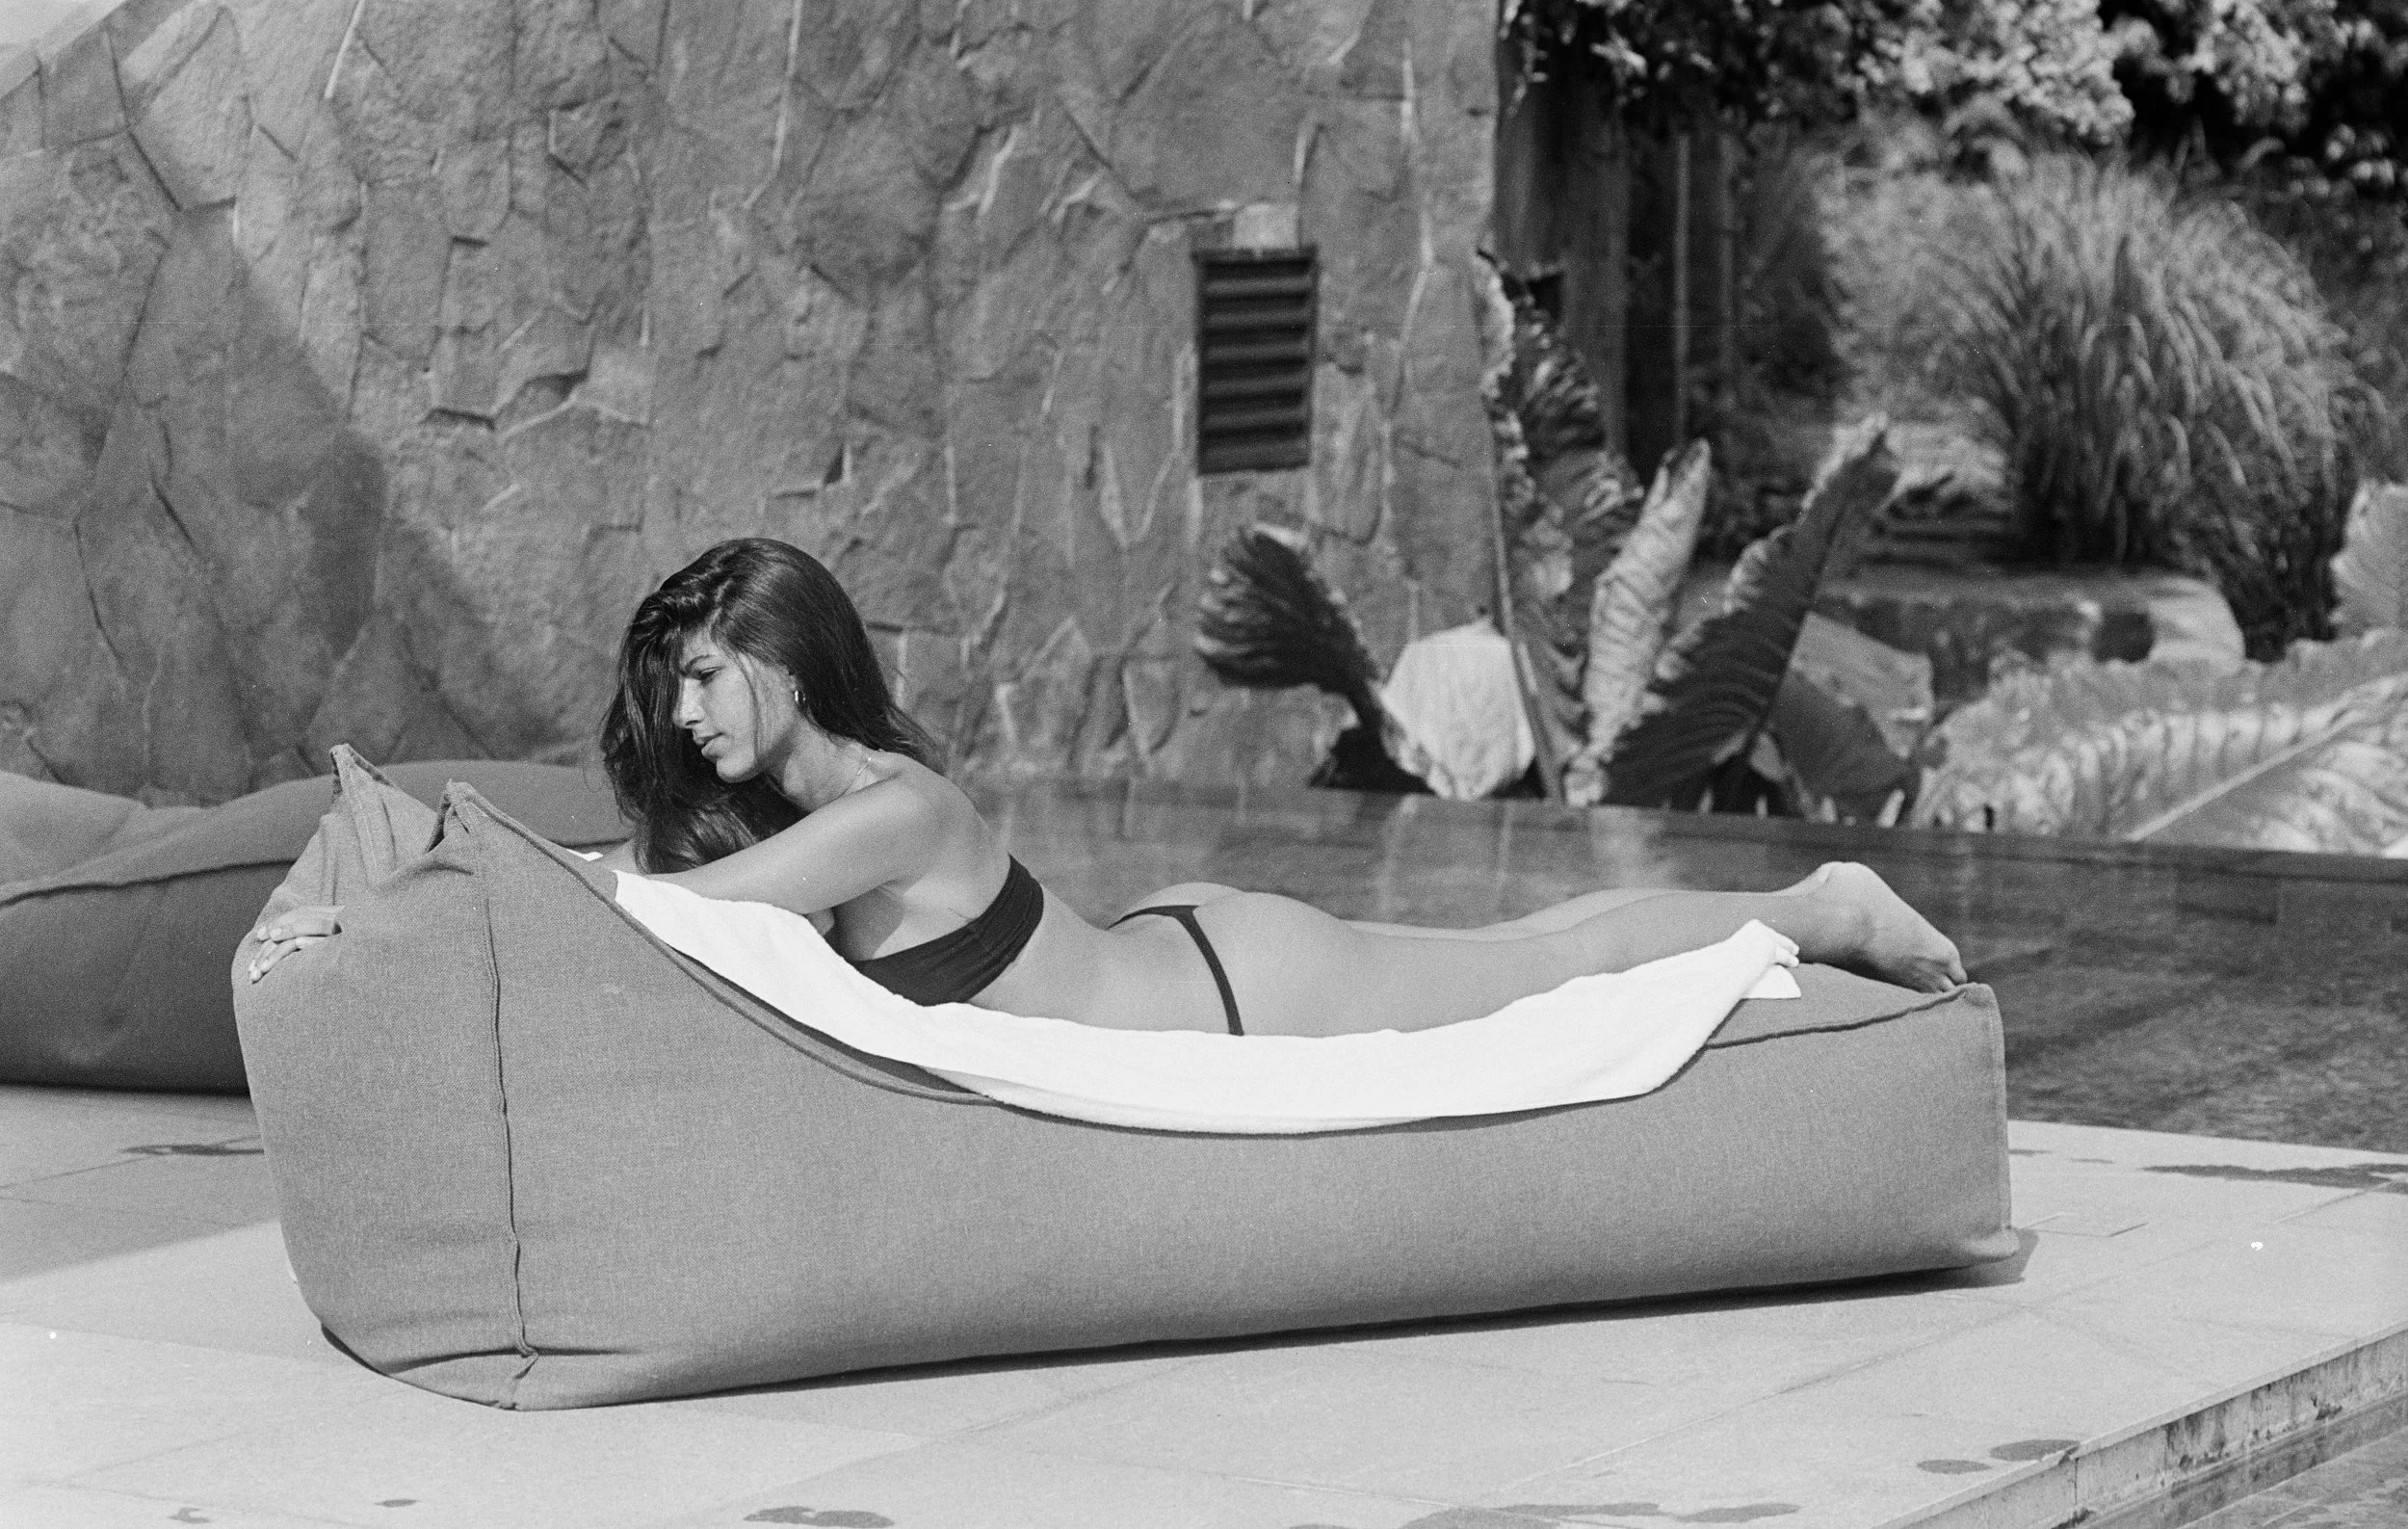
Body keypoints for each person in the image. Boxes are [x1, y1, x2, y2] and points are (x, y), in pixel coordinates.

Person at [249, 538, 1967, 1033]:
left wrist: (433, 862)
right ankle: (1793, 910)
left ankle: (1812, 901)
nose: (686, 714)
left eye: (703, 673)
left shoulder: (895, 810)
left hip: (1232, 989)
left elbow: (658, 910)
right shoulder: (829, 824)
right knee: (1538, 934)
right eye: (669, 690)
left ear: (782, 645)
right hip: (1171, 947)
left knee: (1551, 955)